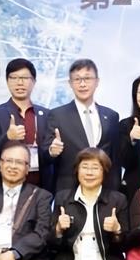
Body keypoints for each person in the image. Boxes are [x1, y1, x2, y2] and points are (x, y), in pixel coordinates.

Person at [41, 59, 120, 192]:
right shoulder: (57, 115)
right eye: (77, 79)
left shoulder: (111, 116)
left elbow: (115, 159)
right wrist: (52, 151)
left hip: (105, 191)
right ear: (70, 84)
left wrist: (115, 188)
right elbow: (45, 153)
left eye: (87, 78)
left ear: (97, 81)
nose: (82, 84)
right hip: (69, 190)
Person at [0, 58, 53, 191]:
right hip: (3, 187)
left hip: (39, 188)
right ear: (7, 81)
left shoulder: (47, 114)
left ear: (34, 81)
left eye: (25, 78)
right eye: (14, 78)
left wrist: (53, 152)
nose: (19, 83)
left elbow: (49, 157)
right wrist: (8, 137)